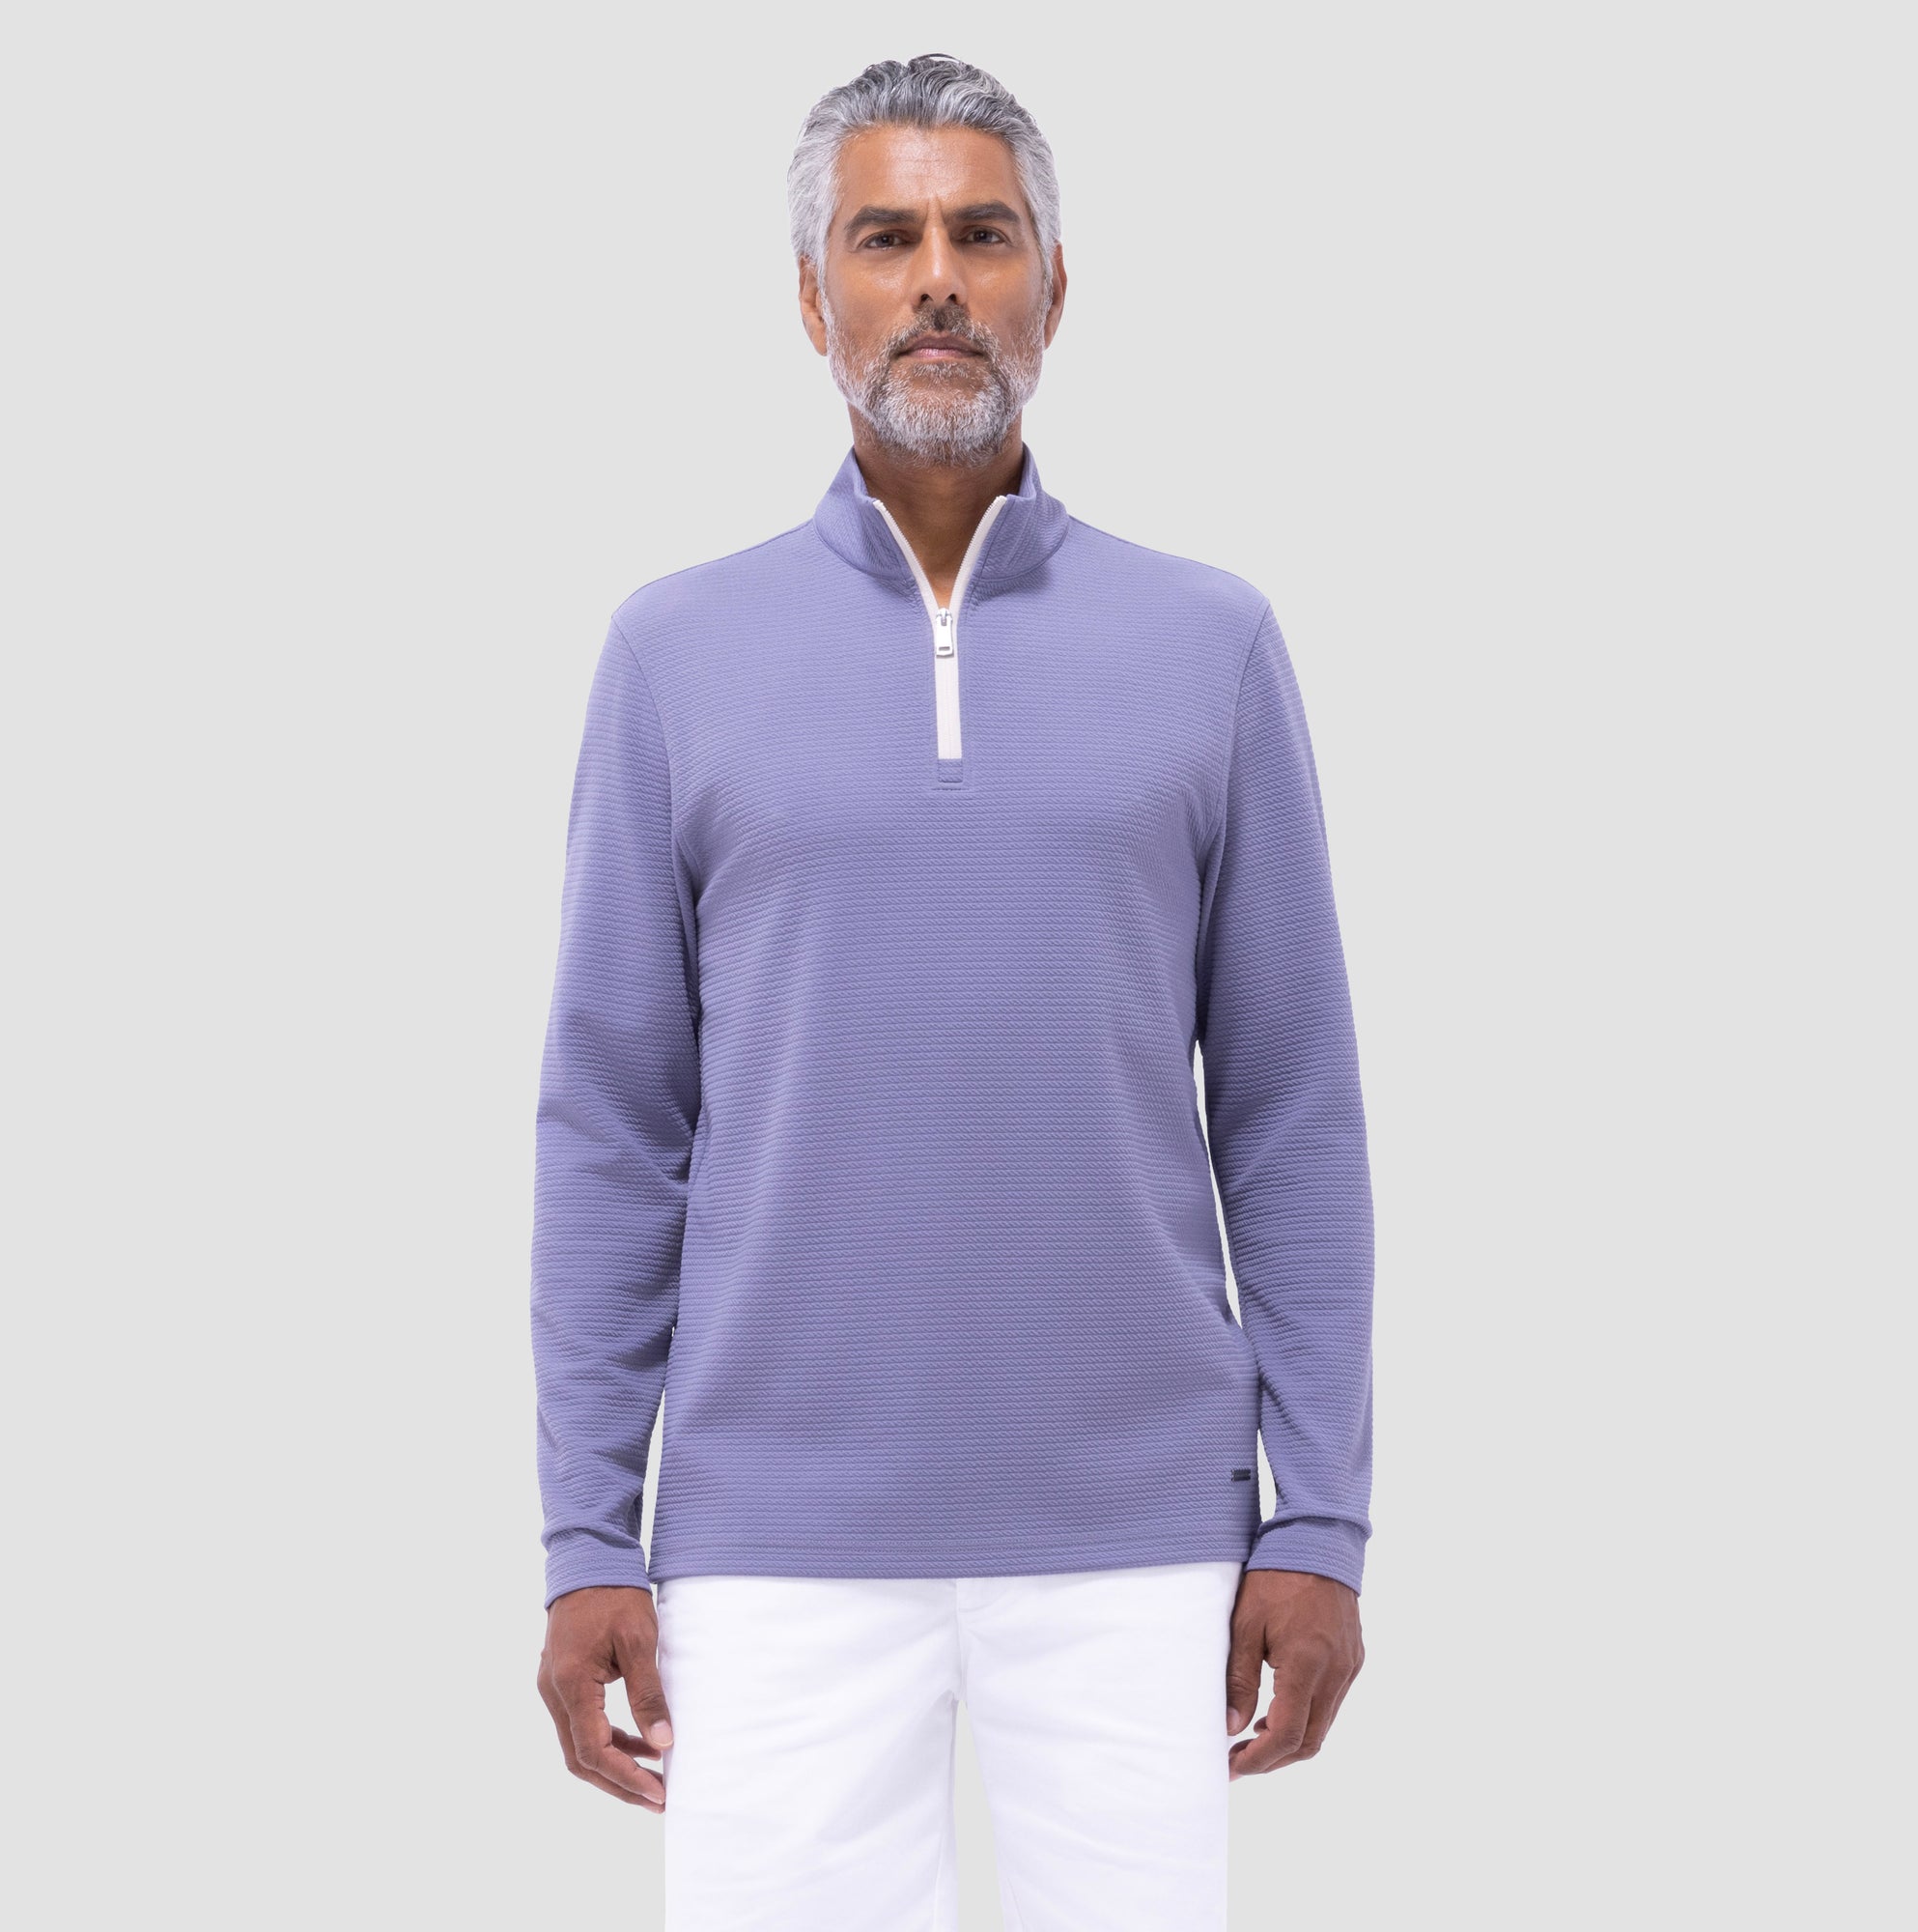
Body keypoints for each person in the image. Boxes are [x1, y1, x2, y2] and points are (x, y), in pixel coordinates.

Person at [530, 51, 1374, 1929]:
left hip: (1141, 1540)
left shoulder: (1210, 643)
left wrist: (1316, 1515)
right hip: (772, 1548)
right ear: (810, 296)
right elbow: (611, 1125)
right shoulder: (673, 651)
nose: (935, 280)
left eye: (982, 235)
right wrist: (591, 1535)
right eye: (884, 237)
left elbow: (1292, 1112)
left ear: (1052, 288)